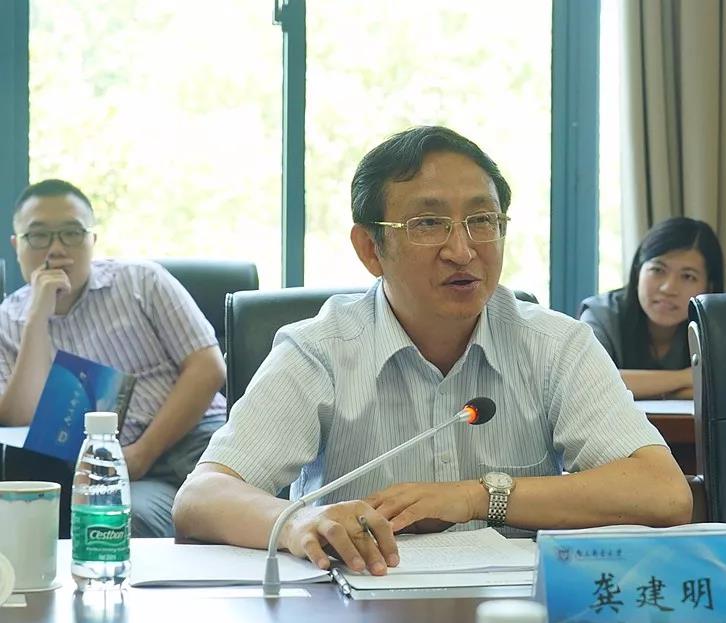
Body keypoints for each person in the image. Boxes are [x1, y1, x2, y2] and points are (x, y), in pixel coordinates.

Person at [173, 126, 692, 576]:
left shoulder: (557, 345)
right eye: (428, 224)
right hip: (361, 617)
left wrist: (477, 496)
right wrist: (297, 522)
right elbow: (200, 497)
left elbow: (663, 493)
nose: (462, 250)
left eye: (482, 220)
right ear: (370, 249)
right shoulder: (320, 351)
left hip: (516, 617)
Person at [0, 179, 226, 537]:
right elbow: (18, 417)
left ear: (92, 239)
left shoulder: (142, 282)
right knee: (118, 522)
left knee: (253, 506)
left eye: (72, 233)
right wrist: (36, 318)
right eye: (39, 236)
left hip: (199, 439)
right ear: (17, 245)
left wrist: (143, 452)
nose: (56, 248)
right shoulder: (7, 323)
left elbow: (208, 368)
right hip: (121, 475)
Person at [579, 217, 724, 400]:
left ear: (709, 287)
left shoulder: (719, 326)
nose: (668, 288)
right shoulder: (601, 314)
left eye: (688, 276)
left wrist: (647, 386)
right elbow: (588, 381)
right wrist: (686, 378)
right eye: (658, 270)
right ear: (638, 271)